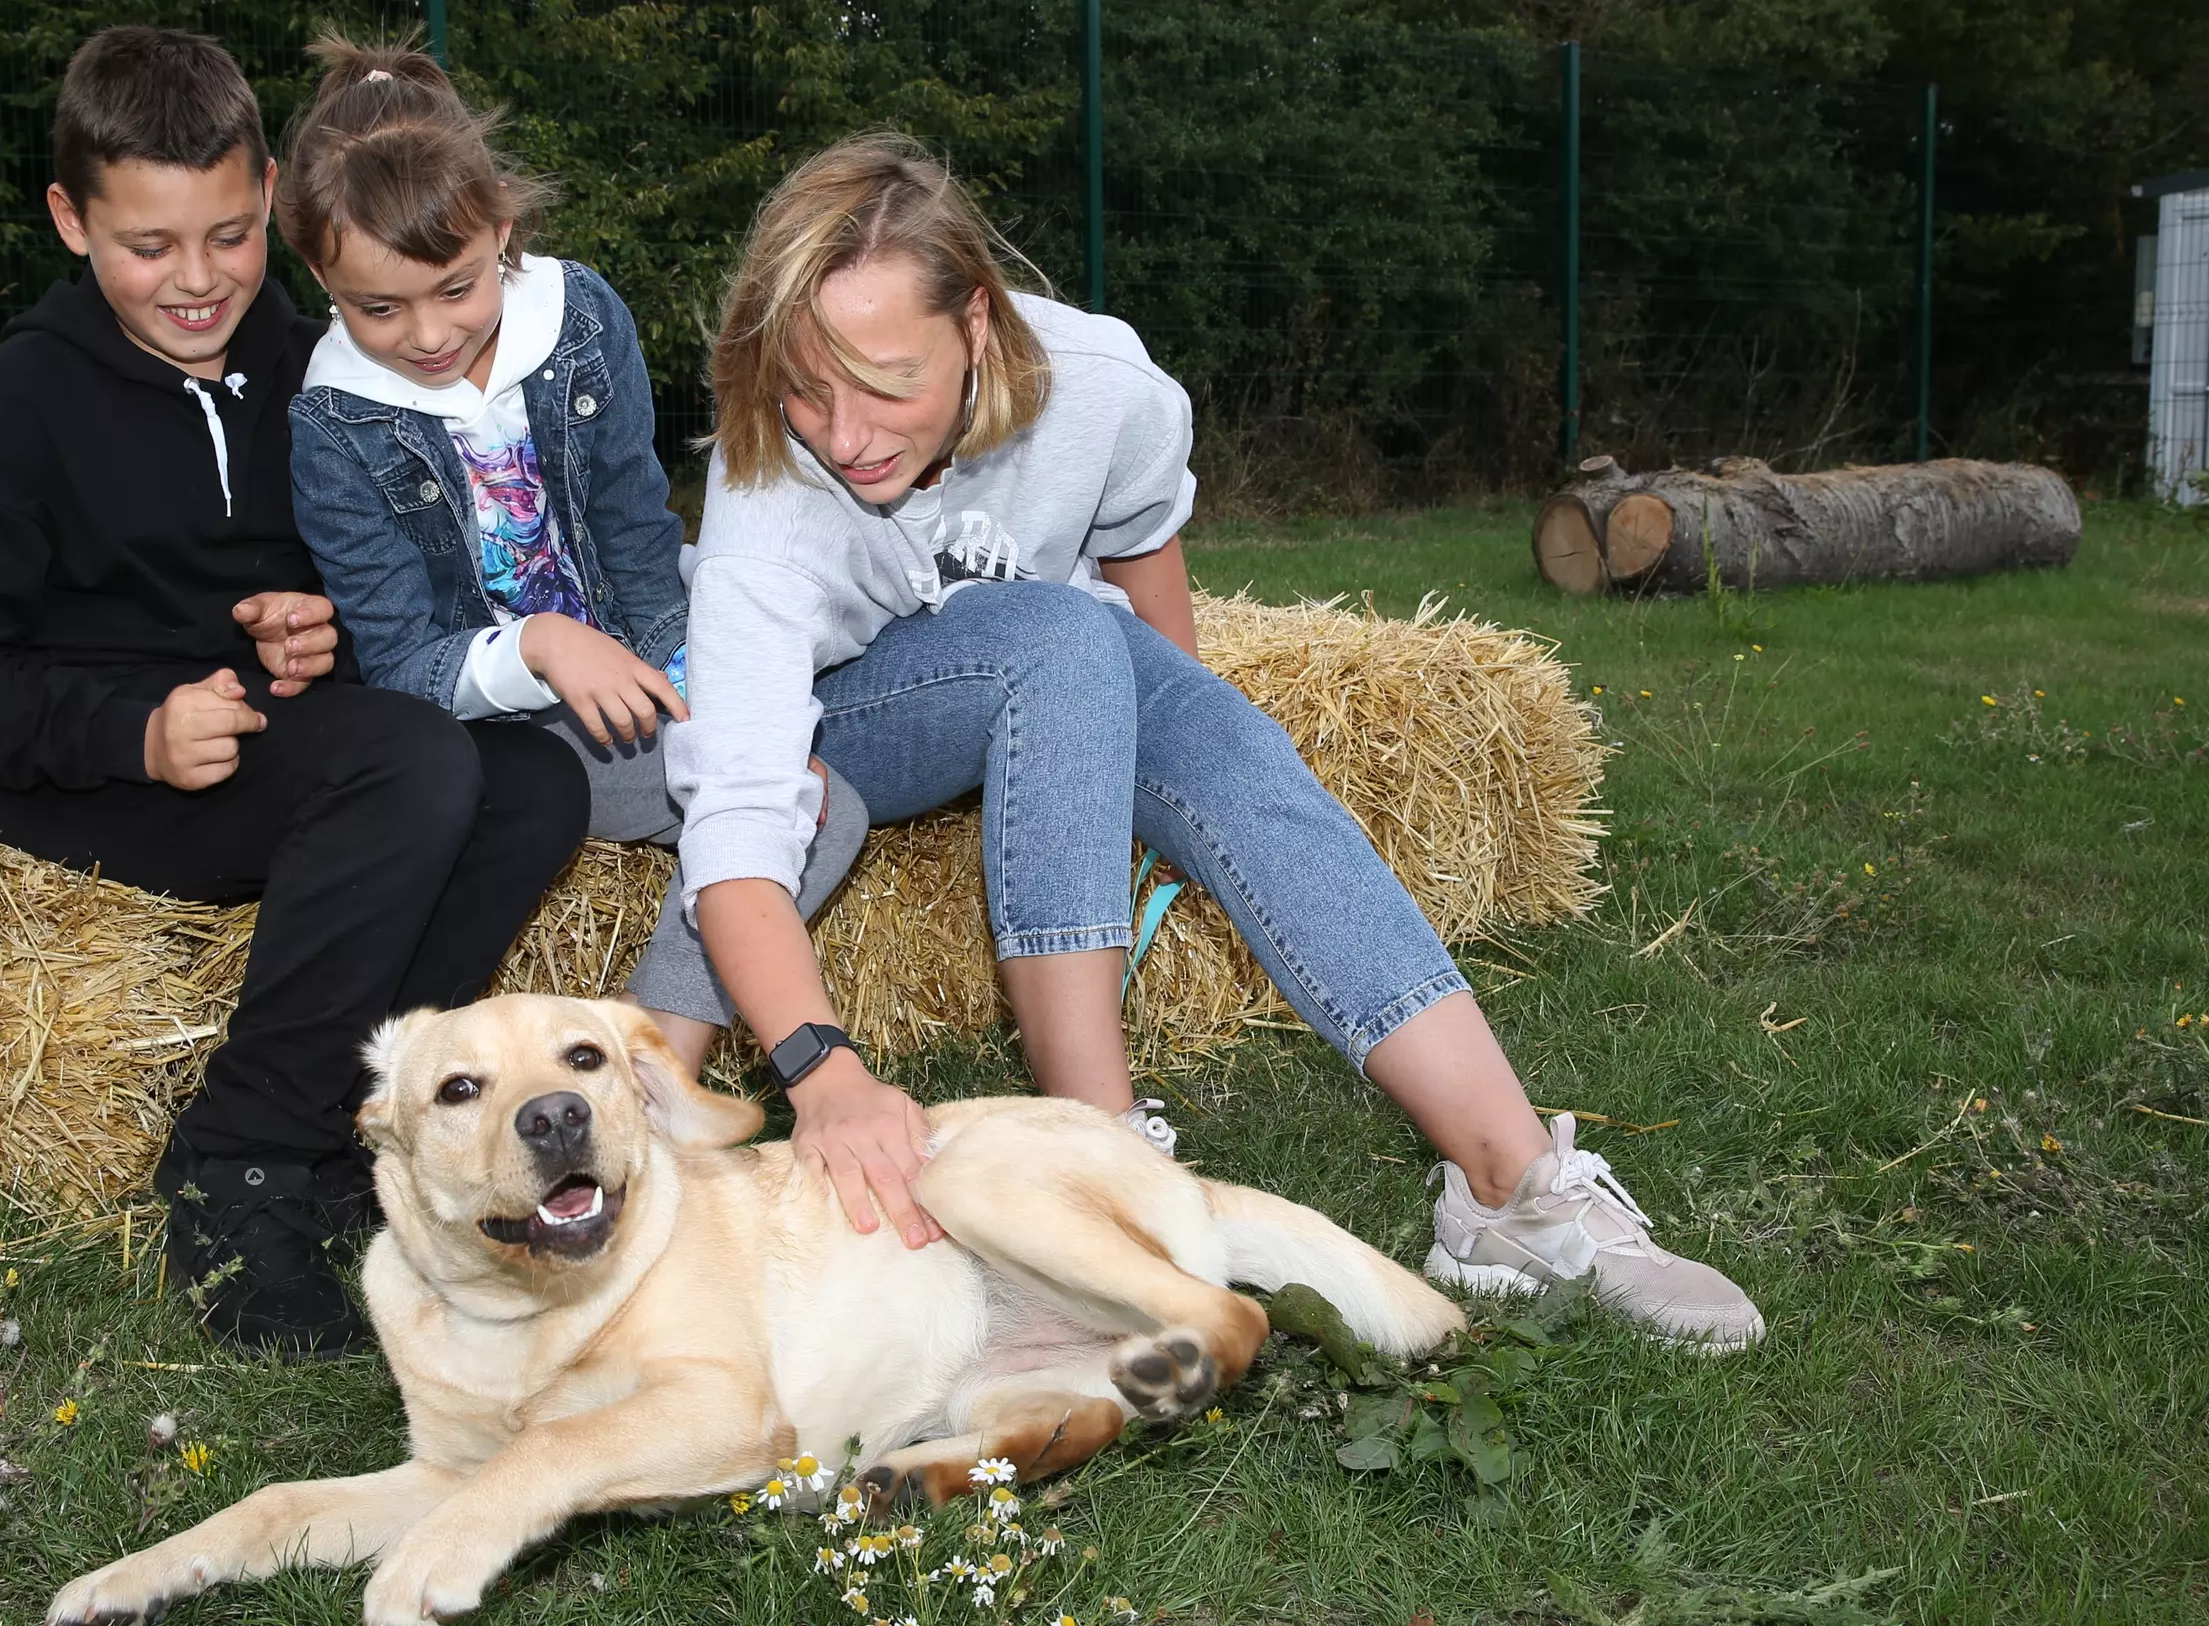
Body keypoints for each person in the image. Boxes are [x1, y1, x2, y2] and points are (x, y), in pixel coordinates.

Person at [664, 134, 1763, 1350]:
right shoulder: (768, 491)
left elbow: (1141, 559)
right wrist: (821, 1069)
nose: (844, 431)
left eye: (884, 383)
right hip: (860, 721)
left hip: (1055, 657)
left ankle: (1508, 1188)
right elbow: (740, 823)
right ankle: (1101, 1179)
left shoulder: (1100, 381)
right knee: (1047, 632)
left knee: (1221, 743)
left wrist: (1163, 758)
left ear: (977, 323)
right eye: (806, 389)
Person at [0, 25, 587, 1359]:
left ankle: (354, 1139)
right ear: (70, 222)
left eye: (229, 236)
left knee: (536, 779)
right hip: (86, 775)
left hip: (276, 743)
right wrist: (127, 730)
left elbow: (396, 592)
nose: (196, 280)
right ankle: (238, 1164)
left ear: (270, 192)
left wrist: (328, 633)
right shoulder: (13, 413)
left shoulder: (329, 370)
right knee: (416, 766)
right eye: (150, 246)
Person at [282, 36, 867, 1041]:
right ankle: (622, 1069)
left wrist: (724, 730)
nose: (426, 334)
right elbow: (396, 668)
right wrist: (541, 646)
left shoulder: (584, 317)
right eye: (378, 307)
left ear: (500, 228)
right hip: (505, 741)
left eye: (456, 288)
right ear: (315, 274)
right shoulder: (329, 424)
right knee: (797, 807)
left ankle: (646, 1051)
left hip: (638, 674)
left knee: (813, 806)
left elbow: (640, 544)